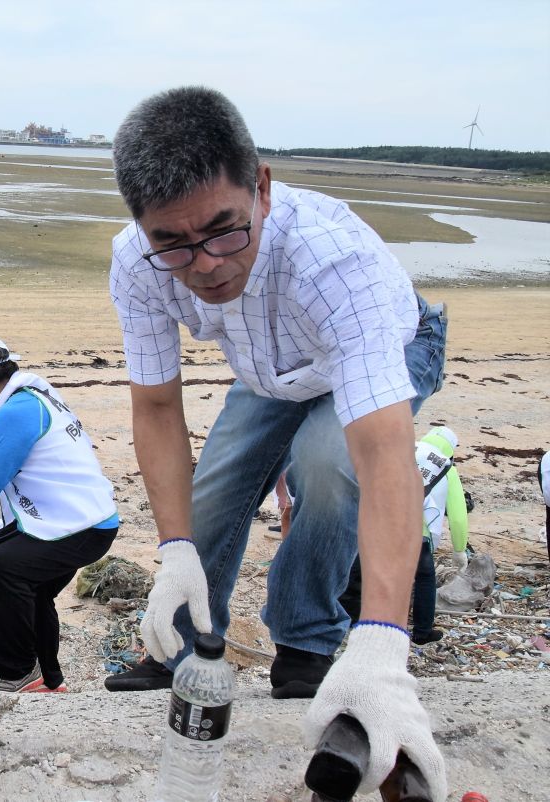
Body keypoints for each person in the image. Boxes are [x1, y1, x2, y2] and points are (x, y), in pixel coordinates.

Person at [106, 87, 447, 798]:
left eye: (224, 230)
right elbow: (157, 406)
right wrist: (173, 554)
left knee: (327, 467)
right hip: (273, 369)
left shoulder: (333, 261)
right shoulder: (136, 262)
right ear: (141, 227)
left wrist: (385, 643)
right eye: (173, 242)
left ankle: (310, 643)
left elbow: (384, 453)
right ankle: (189, 643)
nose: (204, 265)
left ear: (260, 186)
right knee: (211, 500)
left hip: (380, 350)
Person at [0, 336, 119, 694]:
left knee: (2, 568)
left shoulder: (14, 410)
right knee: (31, 585)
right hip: (89, 516)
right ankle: (49, 680)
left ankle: (16, 672)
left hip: (81, 524)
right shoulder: (35, 396)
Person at [410, 425, 470, 645]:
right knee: (424, 577)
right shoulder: (446, 466)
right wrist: (459, 550)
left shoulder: (404, 448)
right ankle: (422, 632)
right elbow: (457, 516)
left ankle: (364, 624)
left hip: (380, 524)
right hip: (417, 533)